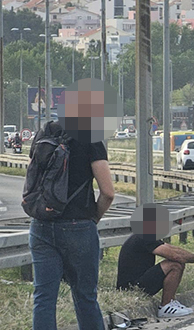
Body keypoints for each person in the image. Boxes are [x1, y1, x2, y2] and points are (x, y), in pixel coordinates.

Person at [28, 121, 115, 330]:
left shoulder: (45, 131)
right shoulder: (90, 137)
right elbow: (108, 193)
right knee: (85, 296)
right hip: (78, 225)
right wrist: (94, 217)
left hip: (41, 223)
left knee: (44, 298)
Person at [116, 233, 194, 318]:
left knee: (180, 262)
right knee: (175, 265)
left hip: (137, 282)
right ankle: (166, 306)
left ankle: (171, 301)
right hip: (132, 287)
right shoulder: (144, 236)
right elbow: (174, 255)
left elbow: (172, 249)